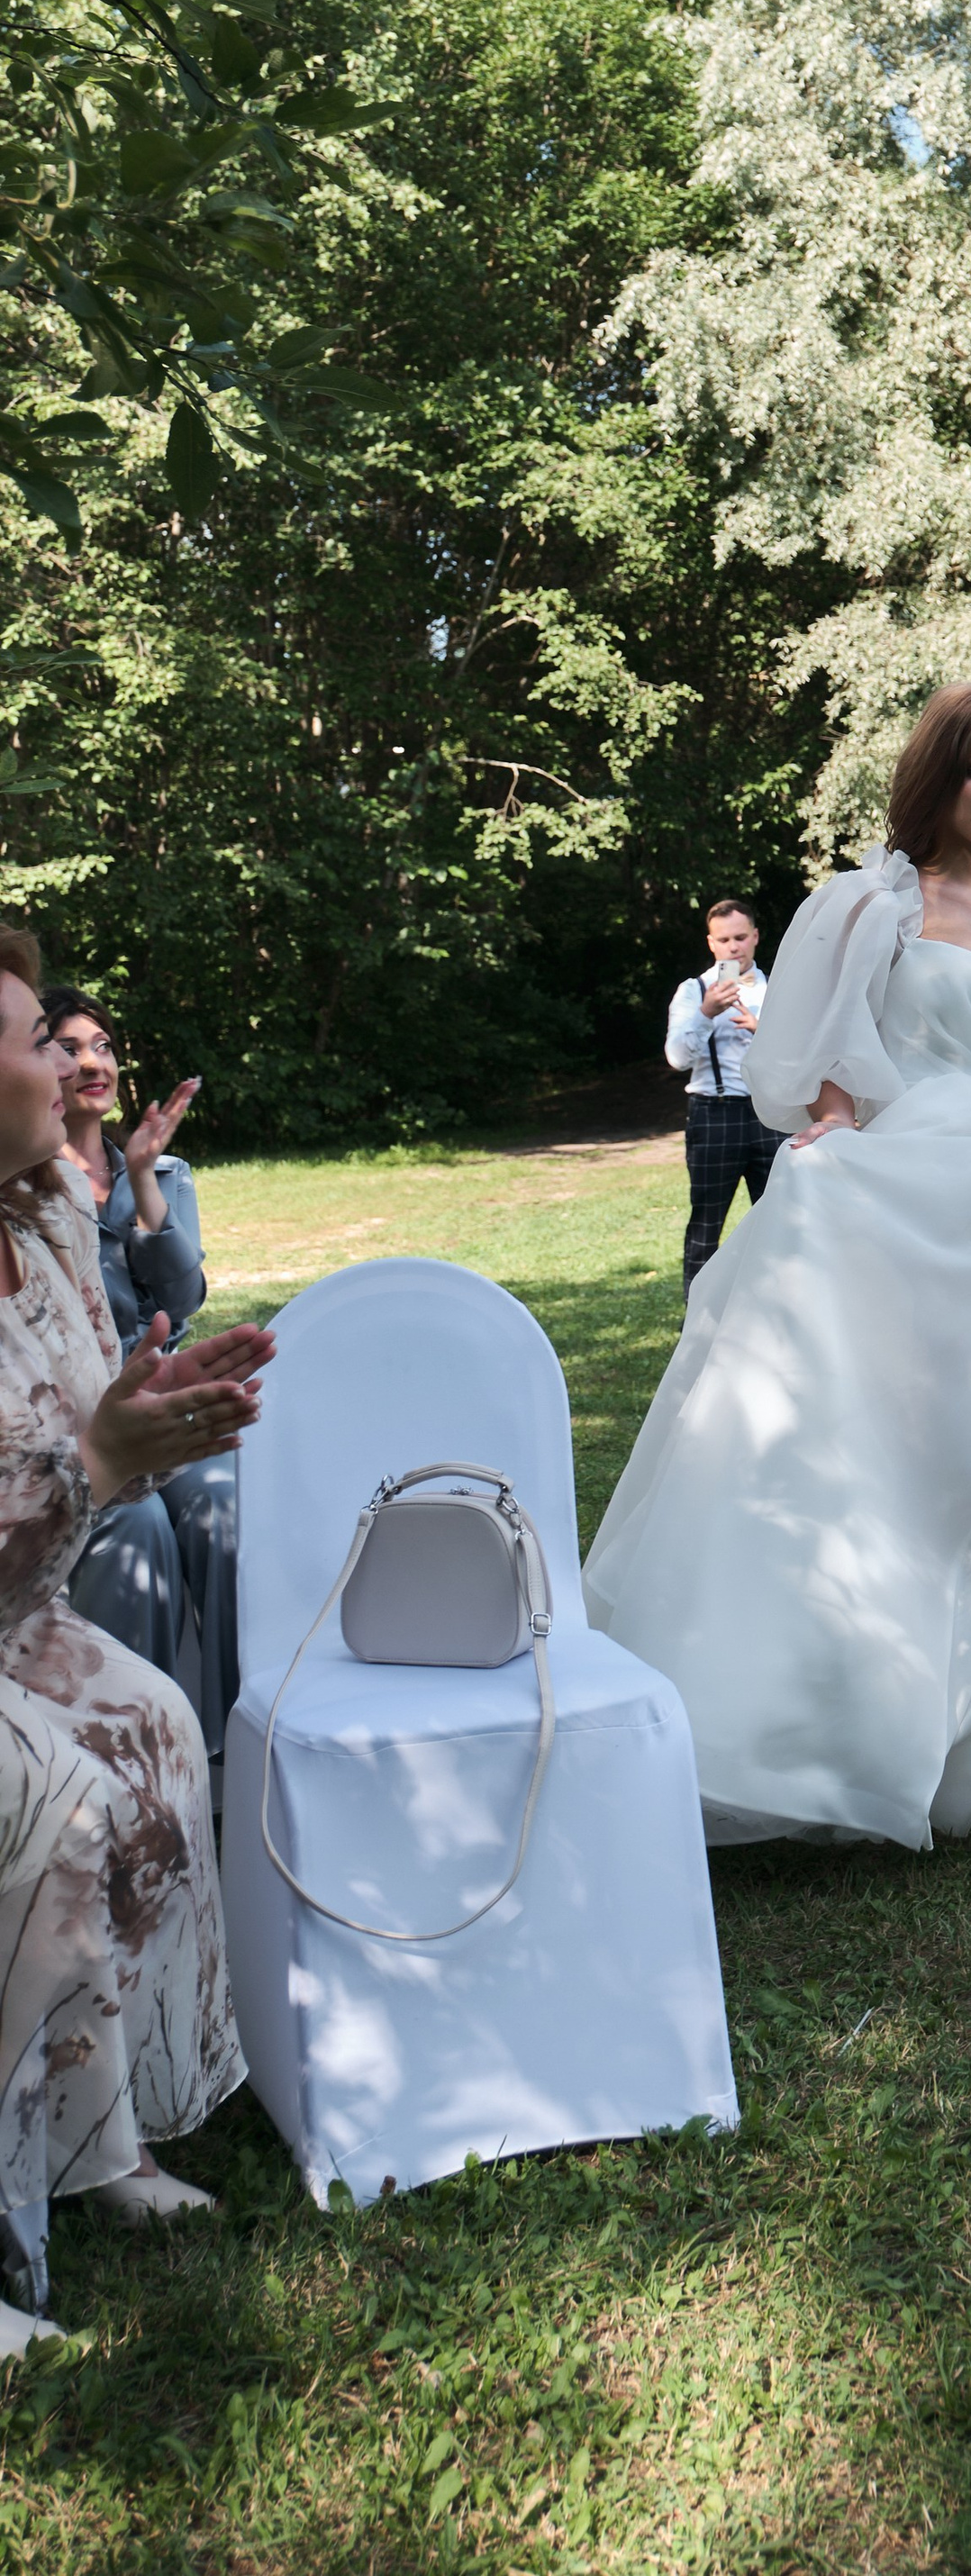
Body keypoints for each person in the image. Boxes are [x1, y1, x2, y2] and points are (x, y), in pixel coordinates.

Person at [587, 689, 971, 1879]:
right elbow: (817, 1065)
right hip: (915, 1202)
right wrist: (836, 1139)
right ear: (935, 778)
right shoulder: (872, 904)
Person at [0, 924, 269, 2345]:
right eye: (40, 1036)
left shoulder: (43, 1211)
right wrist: (108, 1464)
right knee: (51, 1796)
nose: (67, 1057)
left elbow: (92, 1409)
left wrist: (153, 1417)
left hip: (20, 1602)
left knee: (157, 1720)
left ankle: (106, 2143)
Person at [42, 993, 240, 1752]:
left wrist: (143, 1179)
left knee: (224, 1511)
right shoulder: (23, 1180)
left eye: (103, 1044)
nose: (93, 1062)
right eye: (67, 1046)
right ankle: (144, 1751)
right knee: (143, 1529)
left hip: (172, 1394)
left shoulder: (165, 1168)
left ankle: (231, 1741)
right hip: (87, 1408)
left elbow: (184, 1296)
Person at [666, 898, 781, 1297]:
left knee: (779, 1219)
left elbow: (803, 1058)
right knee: (706, 1221)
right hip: (714, 1116)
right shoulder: (691, 991)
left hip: (773, 1115)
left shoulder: (781, 988)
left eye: (740, 937)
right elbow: (677, 1059)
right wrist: (705, 1013)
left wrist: (761, 1030)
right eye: (724, 939)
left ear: (755, 937)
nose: (733, 947)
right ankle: (696, 1326)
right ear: (711, 943)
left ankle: (775, 1310)